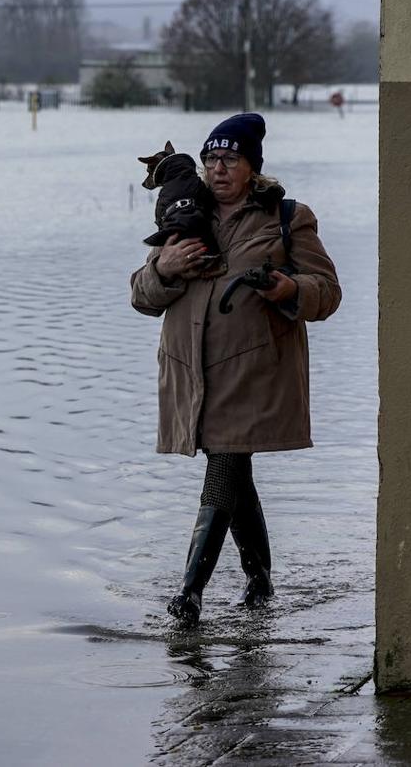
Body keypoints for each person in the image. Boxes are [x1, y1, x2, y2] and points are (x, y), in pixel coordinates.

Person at [129, 112, 341, 626]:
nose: (218, 168)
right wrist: (164, 268)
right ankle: (260, 578)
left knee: (223, 463)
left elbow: (328, 292)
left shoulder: (287, 217)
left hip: (254, 373)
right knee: (234, 469)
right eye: (210, 159)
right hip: (191, 372)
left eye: (230, 159)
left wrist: (290, 289)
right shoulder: (182, 216)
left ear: (252, 167)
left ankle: (189, 594)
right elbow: (140, 296)